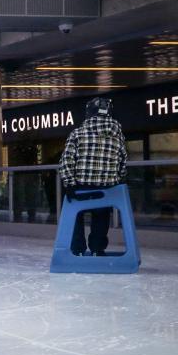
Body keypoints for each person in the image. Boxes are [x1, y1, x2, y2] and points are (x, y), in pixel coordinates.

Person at [60, 97, 128, 256]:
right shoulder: (117, 135)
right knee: (101, 215)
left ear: (88, 113)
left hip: (81, 187)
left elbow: (66, 161)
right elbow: (123, 162)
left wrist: (69, 183)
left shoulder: (77, 133)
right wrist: (117, 178)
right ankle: (98, 248)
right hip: (106, 188)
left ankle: (77, 249)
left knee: (75, 214)